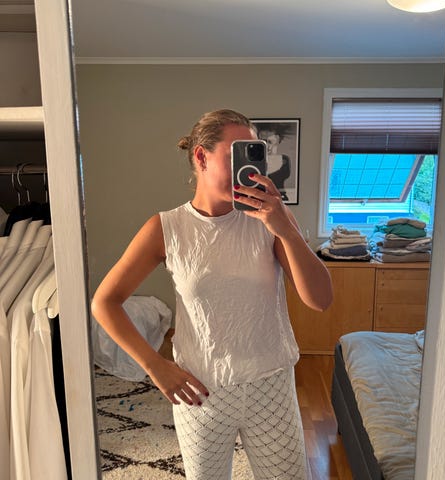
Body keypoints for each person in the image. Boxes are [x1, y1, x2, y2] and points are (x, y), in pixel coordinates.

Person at [91, 109, 333, 480]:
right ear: (202, 157)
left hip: (270, 384)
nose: (250, 171)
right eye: (238, 155)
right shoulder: (167, 228)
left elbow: (320, 299)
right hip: (200, 390)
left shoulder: (272, 220)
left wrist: (286, 229)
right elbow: (104, 302)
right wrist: (154, 366)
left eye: (255, 155)